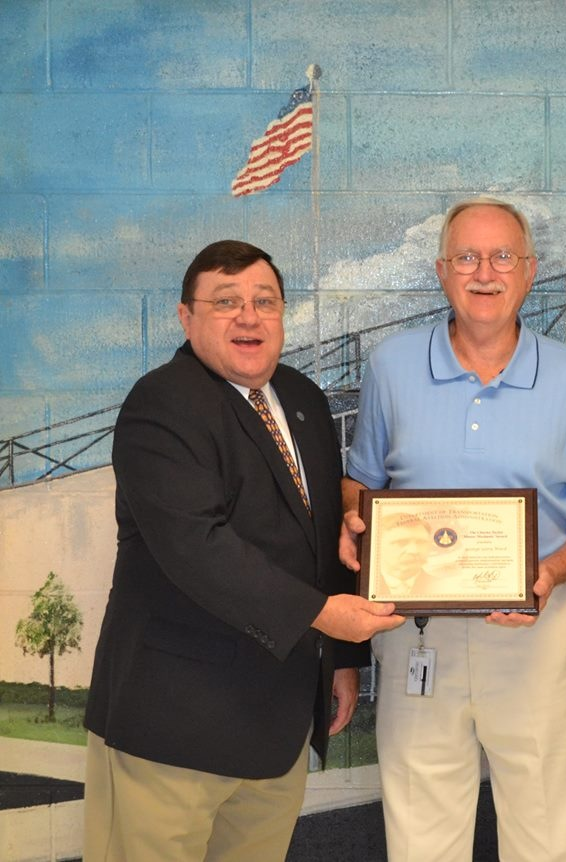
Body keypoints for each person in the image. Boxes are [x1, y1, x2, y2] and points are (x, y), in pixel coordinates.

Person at [83, 240, 404, 861]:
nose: (248, 317)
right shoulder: (161, 404)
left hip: (276, 726)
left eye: (264, 301)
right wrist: (321, 616)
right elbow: (198, 548)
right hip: (171, 728)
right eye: (225, 302)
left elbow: (320, 541)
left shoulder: (304, 400)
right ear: (186, 317)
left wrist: (339, 657)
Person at [340, 197, 566, 861]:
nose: (485, 272)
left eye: (503, 256)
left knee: (544, 837)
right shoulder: (391, 366)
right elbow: (359, 481)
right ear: (442, 271)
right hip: (417, 635)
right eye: (467, 256)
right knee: (421, 838)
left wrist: (551, 572)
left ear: (528, 272)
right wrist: (357, 516)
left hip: (533, 630)